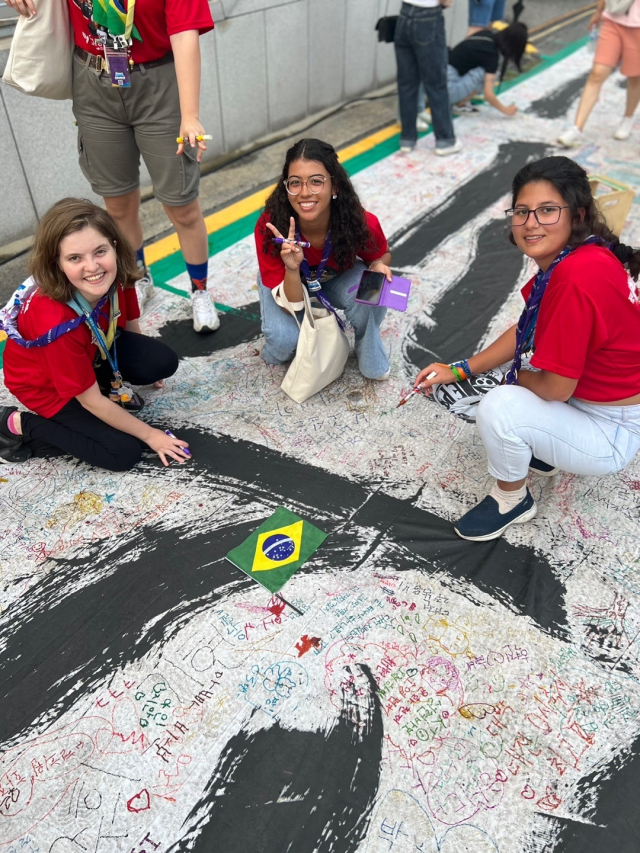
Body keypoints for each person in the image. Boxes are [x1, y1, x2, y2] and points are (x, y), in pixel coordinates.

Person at [414, 156, 640, 541]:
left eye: (548, 210)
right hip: (600, 402)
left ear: (577, 214)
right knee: (519, 382)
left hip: (610, 430)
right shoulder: (582, 254)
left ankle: (512, 498)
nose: (531, 222)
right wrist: (462, 369)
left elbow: (556, 388)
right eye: (522, 211)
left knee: (500, 406)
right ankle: (545, 450)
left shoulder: (574, 276)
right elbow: (527, 328)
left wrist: (509, 380)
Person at [6, 0, 221, 334]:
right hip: (93, 82)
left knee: (181, 205)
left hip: (158, 85)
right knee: (117, 203)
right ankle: (138, 277)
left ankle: (200, 290)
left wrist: (189, 114)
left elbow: (184, 33)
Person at [0, 199, 190, 471]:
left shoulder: (114, 274)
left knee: (160, 361)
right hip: (47, 387)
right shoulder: (55, 325)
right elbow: (90, 401)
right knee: (121, 452)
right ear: (57, 262)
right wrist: (152, 435)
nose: (93, 267)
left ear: (114, 245)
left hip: (88, 355)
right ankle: (16, 424)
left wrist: (138, 366)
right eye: (75, 258)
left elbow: (129, 321)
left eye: (99, 251)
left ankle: (100, 384)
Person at [254, 138, 392, 381]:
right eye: (295, 183)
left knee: (376, 288)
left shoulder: (359, 221)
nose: (305, 192)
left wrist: (377, 265)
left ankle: (367, 347)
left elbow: (380, 255)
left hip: (338, 274)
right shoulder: (271, 226)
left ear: (335, 186)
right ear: (286, 187)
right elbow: (292, 303)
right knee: (284, 341)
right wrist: (292, 268)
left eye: (316, 181)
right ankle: (276, 351)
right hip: (289, 280)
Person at [558, 0, 640, 146]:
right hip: (612, 19)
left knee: (634, 77)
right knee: (597, 73)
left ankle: (628, 118)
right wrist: (598, 11)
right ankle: (576, 128)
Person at [394, 0, 461, 155]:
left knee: (407, 83)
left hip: (404, 15)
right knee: (436, 83)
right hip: (429, 18)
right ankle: (445, 140)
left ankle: (407, 139)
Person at [445, 23, 527, 117]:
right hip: (447, 90)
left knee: (484, 70)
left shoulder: (485, 34)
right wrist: (506, 110)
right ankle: (459, 105)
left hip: (437, 81)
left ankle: (459, 98)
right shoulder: (491, 56)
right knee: (489, 74)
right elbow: (488, 94)